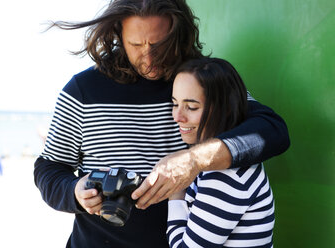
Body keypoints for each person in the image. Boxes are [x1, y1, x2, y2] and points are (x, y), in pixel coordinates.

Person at [33, 0, 289, 247]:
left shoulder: (197, 81)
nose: (149, 57)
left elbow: (272, 131)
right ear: (118, 36)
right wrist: (75, 191)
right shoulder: (82, 91)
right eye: (136, 44)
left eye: (159, 44)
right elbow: (49, 168)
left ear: (178, 35)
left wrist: (194, 160)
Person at [167, 57, 275, 247]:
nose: (177, 117)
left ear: (224, 109)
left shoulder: (224, 176)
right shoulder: (223, 163)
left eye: (191, 107)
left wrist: (175, 194)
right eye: (175, 104)